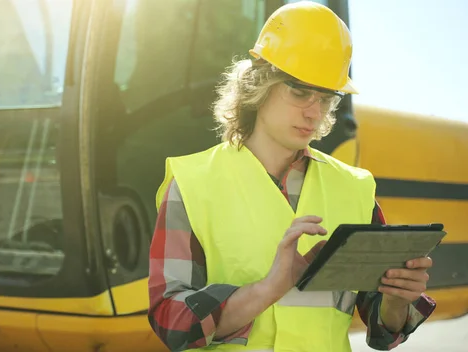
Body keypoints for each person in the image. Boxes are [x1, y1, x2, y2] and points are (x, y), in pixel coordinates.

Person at [147, 2, 436, 352]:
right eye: (299, 91)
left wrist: (396, 300)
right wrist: (267, 289)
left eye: (326, 98)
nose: (314, 112)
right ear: (259, 82)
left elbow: (382, 328)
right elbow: (170, 321)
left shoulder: (355, 189)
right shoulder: (192, 183)